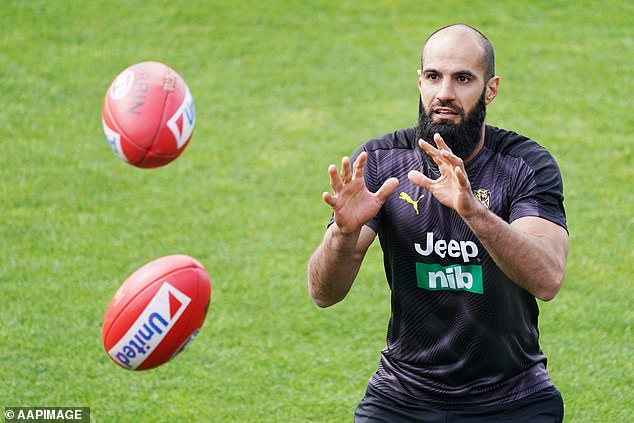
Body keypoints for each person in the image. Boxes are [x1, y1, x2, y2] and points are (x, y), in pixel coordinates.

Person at [307, 23, 569, 422]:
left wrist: (473, 212)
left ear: (490, 89)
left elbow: (547, 277)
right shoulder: (379, 162)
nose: (444, 93)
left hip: (513, 398)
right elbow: (323, 293)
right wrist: (343, 235)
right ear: (420, 81)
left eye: (463, 78)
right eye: (434, 76)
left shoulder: (524, 165)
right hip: (402, 395)